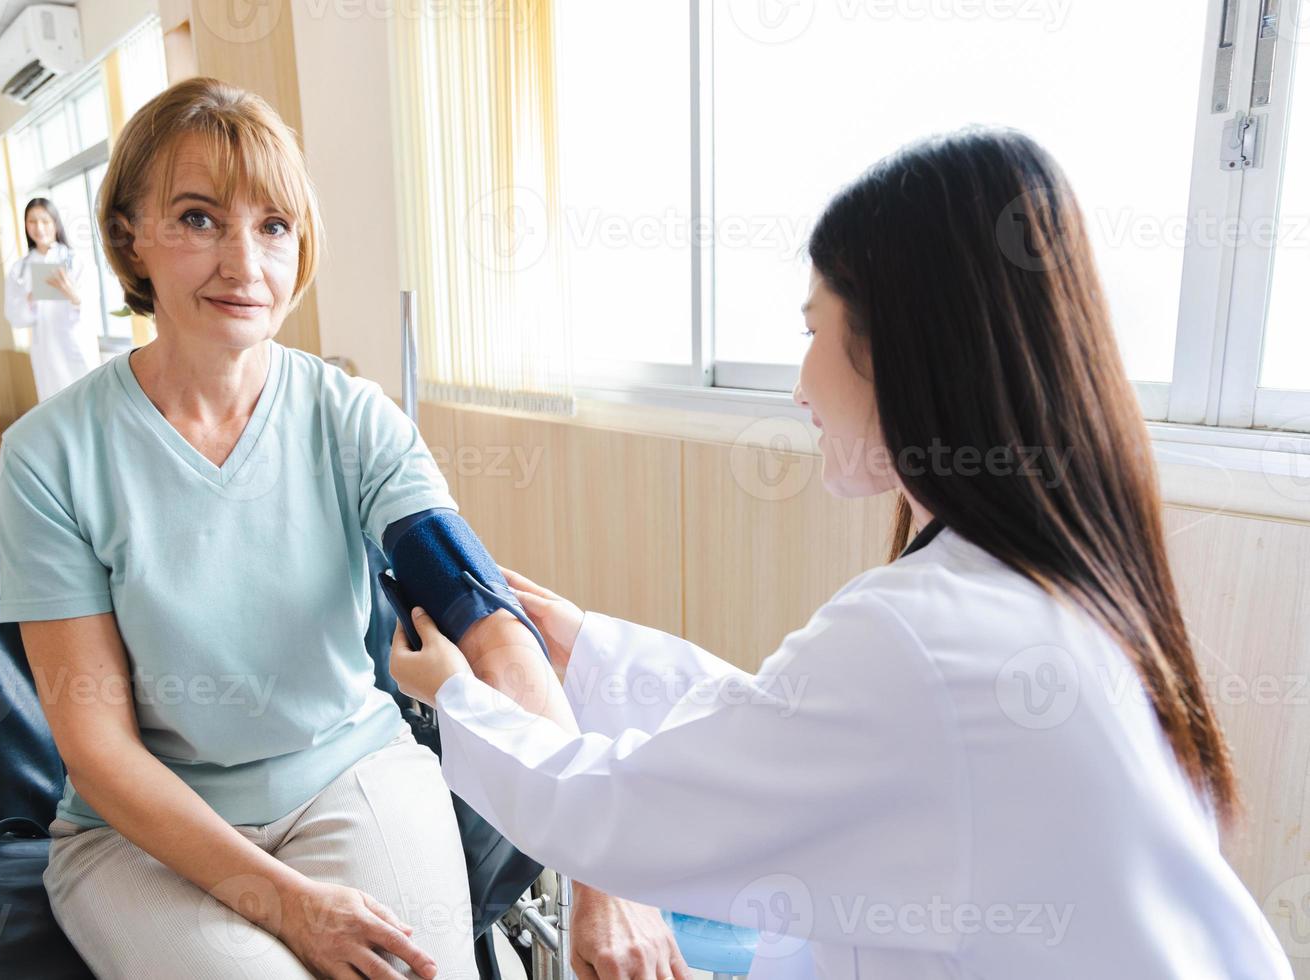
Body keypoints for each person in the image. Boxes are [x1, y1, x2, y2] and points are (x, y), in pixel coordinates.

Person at [388, 128, 1294, 980]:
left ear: (905, 348)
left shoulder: (921, 637)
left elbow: (624, 813)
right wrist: (589, 646)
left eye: (812, 330)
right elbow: (786, 723)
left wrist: (458, 697)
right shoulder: (1056, 582)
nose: (798, 385)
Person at [0, 76, 684, 980]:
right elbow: (98, 747)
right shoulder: (49, 453)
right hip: (141, 835)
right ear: (130, 235)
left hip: (350, 775)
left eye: (274, 226)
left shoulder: (353, 420)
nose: (246, 265)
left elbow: (489, 627)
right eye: (200, 219)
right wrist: (284, 902)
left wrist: (603, 867)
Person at [3, 196, 101, 400]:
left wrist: (73, 296)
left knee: (87, 403)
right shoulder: (20, 269)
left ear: (55, 223)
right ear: (25, 225)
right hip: (45, 351)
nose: (39, 227)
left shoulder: (76, 260)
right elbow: (15, 317)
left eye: (45, 221)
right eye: (32, 221)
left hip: (76, 346)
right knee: (54, 407)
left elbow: (91, 308)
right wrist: (29, 298)